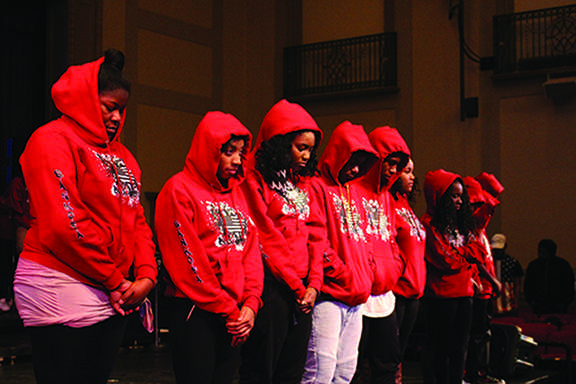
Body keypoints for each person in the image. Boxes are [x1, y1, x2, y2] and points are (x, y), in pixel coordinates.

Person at [13, 49, 158, 384]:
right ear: (86, 100)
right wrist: (115, 280)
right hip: (58, 280)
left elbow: (138, 220)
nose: (117, 118)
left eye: (122, 110)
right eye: (109, 107)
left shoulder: (123, 156)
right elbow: (64, 225)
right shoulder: (51, 139)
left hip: (110, 286)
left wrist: (147, 277)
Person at [154, 111, 263, 384]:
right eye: (228, 152)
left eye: (241, 152)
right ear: (209, 149)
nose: (238, 160)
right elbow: (186, 260)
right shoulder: (178, 189)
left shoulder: (237, 194)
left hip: (235, 312)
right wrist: (229, 309)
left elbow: (249, 251)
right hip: (195, 309)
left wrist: (250, 304)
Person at [238, 100, 323, 384]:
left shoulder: (300, 181)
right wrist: (298, 286)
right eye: (301, 147)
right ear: (280, 142)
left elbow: (316, 232)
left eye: (310, 149)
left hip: (301, 289)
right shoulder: (253, 178)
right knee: (261, 370)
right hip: (272, 287)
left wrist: (314, 284)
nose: (306, 155)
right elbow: (266, 235)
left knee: (292, 369)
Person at [302, 121, 379, 384]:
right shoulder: (315, 187)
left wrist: (365, 274)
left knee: (345, 371)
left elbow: (364, 240)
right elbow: (315, 240)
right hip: (329, 295)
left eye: (361, 163)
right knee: (320, 371)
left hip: (356, 298)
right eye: (351, 160)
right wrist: (343, 274)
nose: (356, 169)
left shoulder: (354, 192)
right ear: (338, 154)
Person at [353, 126, 409, 384]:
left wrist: (394, 268)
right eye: (390, 163)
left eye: (398, 166)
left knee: (387, 364)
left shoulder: (387, 197)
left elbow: (391, 241)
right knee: (353, 366)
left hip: (386, 296)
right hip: (359, 297)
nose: (392, 171)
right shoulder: (352, 190)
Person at [421, 170, 488, 384]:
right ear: (439, 196)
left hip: (464, 293)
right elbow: (445, 260)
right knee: (440, 348)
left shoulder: (461, 225)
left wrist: (462, 256)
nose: (459, 201)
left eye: (461, 196)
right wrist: (465, 258)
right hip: (442, 296)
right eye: (454, 196)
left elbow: (479, 251)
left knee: (461, 347)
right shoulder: (430, 224)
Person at [462, 176, 503, 384]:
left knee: (482, 333)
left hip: (485, 288)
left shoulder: (482, 228)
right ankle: (473, 374)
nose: (490, 211)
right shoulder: (473, 223)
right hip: (477, 288)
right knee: (475, 335)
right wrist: (491, 280)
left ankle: (479, 373)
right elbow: (474, 257)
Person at [389, 158, 426, 383]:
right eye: (407, 171)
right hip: (397, 291)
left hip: (415, 291)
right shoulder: (388, 203)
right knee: (388, 356)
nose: (412, 177)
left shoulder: (405, 205)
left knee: (400, 355)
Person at [524, 238, 575, 315]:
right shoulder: (534, 266)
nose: (541, 254)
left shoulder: (562, 266)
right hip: (538, 305)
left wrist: (565, 302)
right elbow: (528, 285)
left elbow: (569, 285)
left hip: (558, 305)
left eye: (544, 252)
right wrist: (531, 301)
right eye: (540, 251)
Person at [491, 234, 523, 316]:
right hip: (491, 306)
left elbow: (517, 284)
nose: (497, 252)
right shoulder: (488, 262)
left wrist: (516, 303)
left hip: (509, 305)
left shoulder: (512, 263)